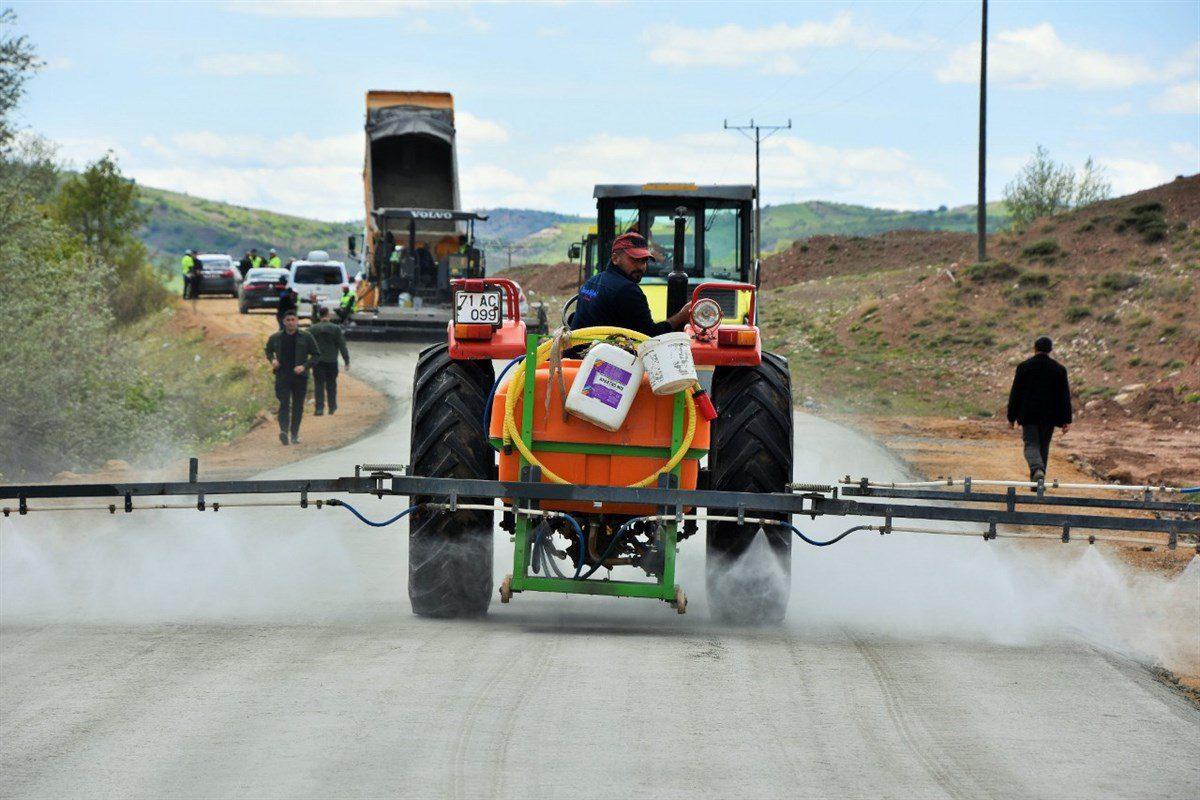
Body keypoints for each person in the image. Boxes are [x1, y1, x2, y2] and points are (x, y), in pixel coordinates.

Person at [570, 231, 691, 336]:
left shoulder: (591, 282)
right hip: (601, 361)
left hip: (577, 357)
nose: (641, 267)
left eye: (644, 261)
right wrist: (681, 316)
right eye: (635, 260)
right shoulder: (627, 290)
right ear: (615, 258)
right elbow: (649, 338)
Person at [1007, 336, 1072, 483]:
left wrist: (1011, 417)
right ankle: (1038, 483)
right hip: (1050, 416)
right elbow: (1064, 396)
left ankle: (1037, 470)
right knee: (1043, 446)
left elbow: (1015, 393)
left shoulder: (1024, 367)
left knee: (1031, 444)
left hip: (1029, 415)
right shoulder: (1059, 369)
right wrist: (1066, 420)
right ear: (1050, 350)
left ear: (1034, 349)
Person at [264, 309, 321, 445]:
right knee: (284, 403)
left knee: (297, 406)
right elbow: (268, 350)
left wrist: (304, 366)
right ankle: (284, 431)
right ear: (283, 322)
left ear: (297, 321)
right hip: (282, 376)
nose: (290, 323)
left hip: (299, 377)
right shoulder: (276, 337)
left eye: (293, 320)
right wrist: (272, 360)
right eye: (288, 320)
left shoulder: (306, 337)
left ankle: (294, 434)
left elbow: (316, 355)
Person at [308, 307, 351, 416]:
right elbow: (342, 345)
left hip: (317, 362)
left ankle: (319, 409)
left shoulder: (313, 328)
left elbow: (305, 344)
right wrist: (346, 360)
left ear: (319, 315)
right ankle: (332, 407)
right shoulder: (335, 328)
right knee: (331, 384)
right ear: (328, 315)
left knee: (319, 385)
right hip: (331, 361)